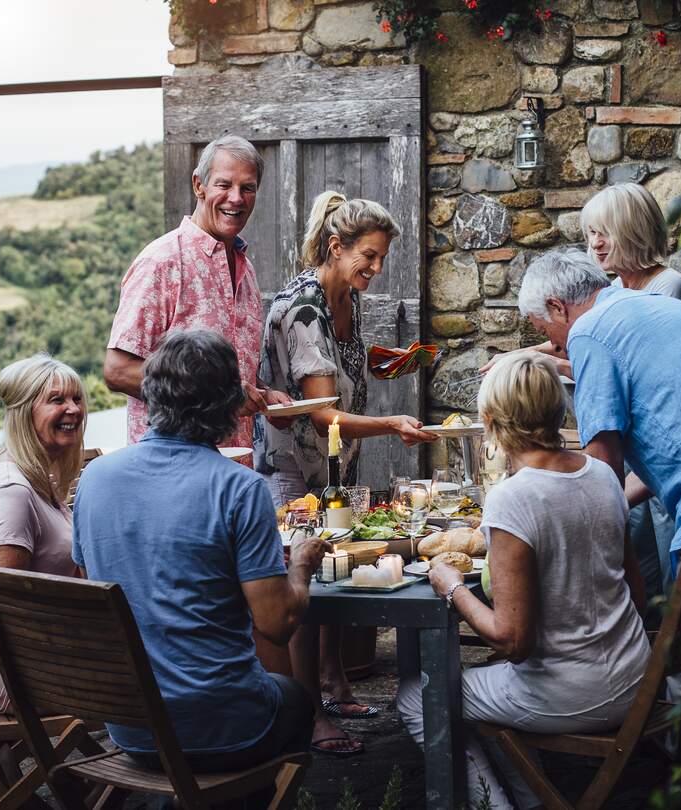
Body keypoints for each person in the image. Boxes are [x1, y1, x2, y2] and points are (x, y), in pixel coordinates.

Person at [397, 353, 649, 810]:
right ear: (558, 411)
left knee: (419, 695)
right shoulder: (603, 475)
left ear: (490, 421)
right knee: (485, 685)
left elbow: (514, 640)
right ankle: (533, 798)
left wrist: (450, 584)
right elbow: (637, 592)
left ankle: (495, 805)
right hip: (636, 676)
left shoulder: (514, 498)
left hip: (571, 695)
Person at [73, 330, 329, 782]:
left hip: (130, 727)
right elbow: (275, 623)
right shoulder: (238, 488)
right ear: (230, 404)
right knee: (298, 702)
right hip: (221, 728)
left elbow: (89, 583)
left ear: (151, 392)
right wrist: (303, 565)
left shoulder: (95, 478)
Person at [255, 190, 437, 755]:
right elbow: (324, 411)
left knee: (333, 569)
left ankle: (333, 680)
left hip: (333, 464)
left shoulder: (344, 302)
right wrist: (392, 425)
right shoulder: (306, 309)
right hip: (291, 466)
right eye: (370, 257)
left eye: (382, 258)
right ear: (335, 247)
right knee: (308, 586)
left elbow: (345, 374)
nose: (377, 270)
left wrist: (394, 362)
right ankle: (310, 714)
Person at [517, 249, 681, 583]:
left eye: (545, 331)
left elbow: (602, 472)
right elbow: (679, 448)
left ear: (558, 306)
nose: (554, 346)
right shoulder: (660, 306)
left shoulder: (588, 330)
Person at [103, 134, 290, 450]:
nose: (236, 198)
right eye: (224, 185)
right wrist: (219, 396)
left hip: (233, 471)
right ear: (198, 186)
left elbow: (233, 374)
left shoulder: (247, 271)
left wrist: (263, 394)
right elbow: (118, 371)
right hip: (170, 473)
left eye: (248, 188)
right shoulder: (161, 261)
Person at [582, 183, 681, 602]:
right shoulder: (616, 292)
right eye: (591, 232)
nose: (595, 243)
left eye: (604, 231)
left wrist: (556, 363)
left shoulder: (667, 287)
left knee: (669, 572)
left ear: (633, 230)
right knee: (637, 570)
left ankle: (669, 660)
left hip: (656, 459)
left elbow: (643, 372)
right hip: (630, 454)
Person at [0, 354, 86, 713]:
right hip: (23, 680)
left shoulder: (30, 473)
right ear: (22, 412)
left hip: (44, 659)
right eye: (56, 400)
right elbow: (8, 608)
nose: (74, 410)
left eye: (77, 399)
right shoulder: (11, 493)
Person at [583, 183, 681, 299]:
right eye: (593, 232)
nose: (595, 244)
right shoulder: (615, 287)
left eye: (607, 233)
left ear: (637, 233)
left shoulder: (669, 285)